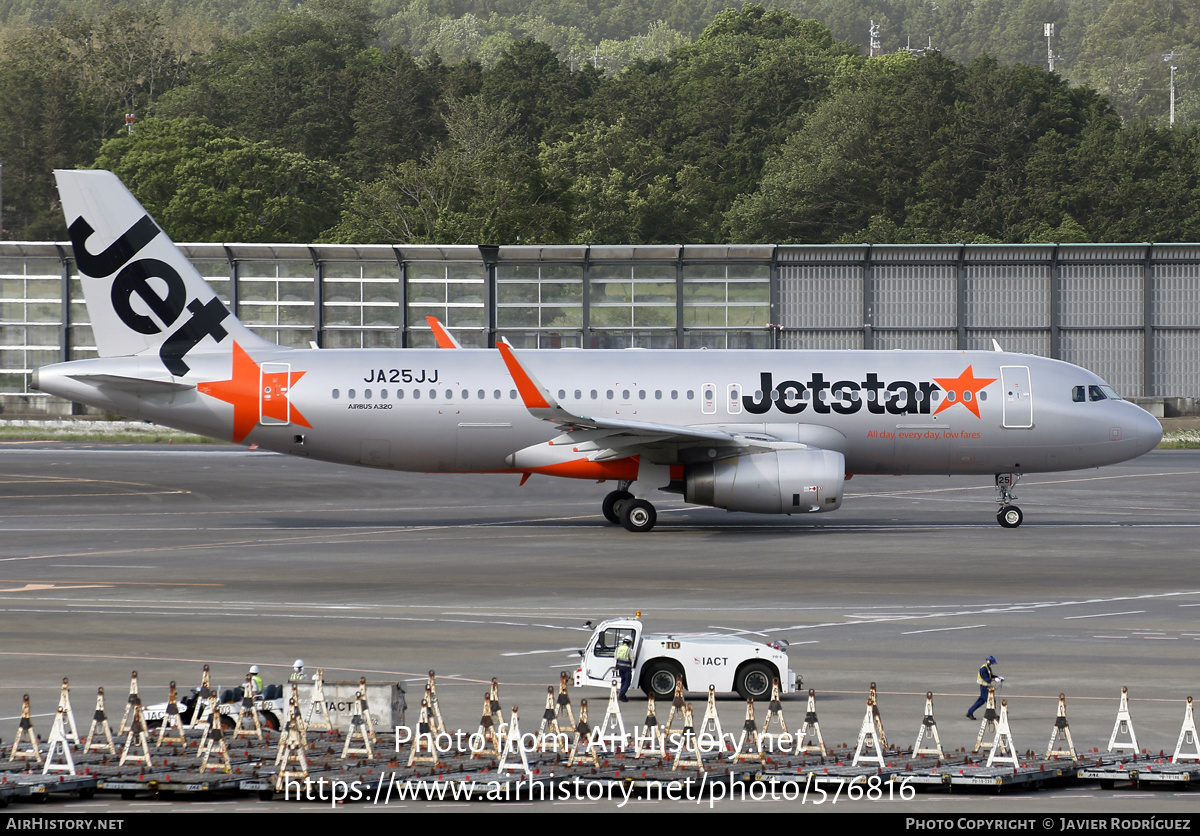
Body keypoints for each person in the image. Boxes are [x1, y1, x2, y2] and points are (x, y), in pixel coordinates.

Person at [966, 655, 1003, 720]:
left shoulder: (988, 668)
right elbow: (986, 678)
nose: (993, 664)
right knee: (991, 701)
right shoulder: (983, 669)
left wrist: (997, 677)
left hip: (986, 687)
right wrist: (994, 680)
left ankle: (970, 712)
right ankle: (993, 715)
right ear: (989, 662)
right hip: (984, 687)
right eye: (992, 663)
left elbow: (990, 675)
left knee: (981, 701)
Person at [615, 637, 634, 702]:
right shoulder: (629, 650)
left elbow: (615, 657)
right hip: (626, 668)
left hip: (620, 667)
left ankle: (622, 694)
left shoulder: (618, 648)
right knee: (627, 682)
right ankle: (621, 694)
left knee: (623, 681)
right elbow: (632, 658)